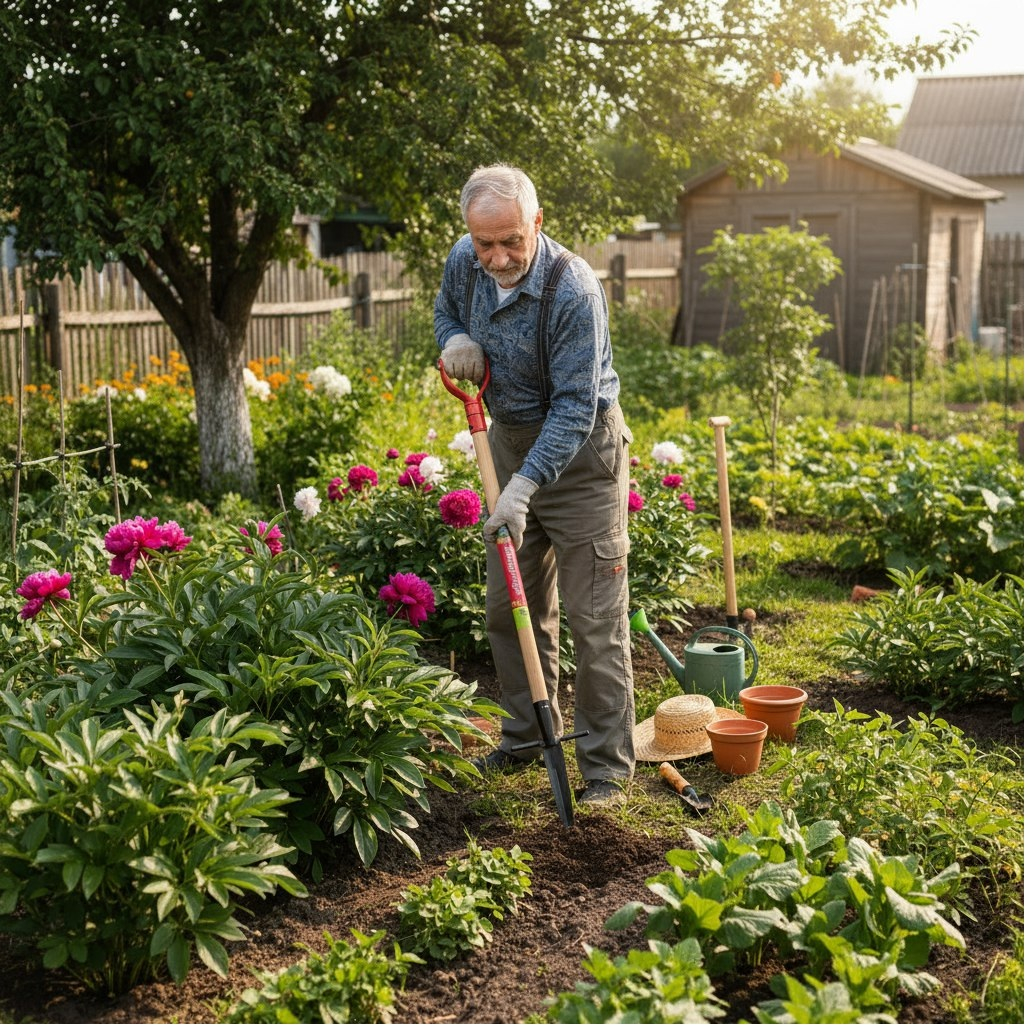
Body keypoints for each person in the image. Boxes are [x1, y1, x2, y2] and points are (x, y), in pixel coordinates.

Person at [435, 163, 635, 806]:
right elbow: (445, 311)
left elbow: (576, 407)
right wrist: (455, 336)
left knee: (595, 617)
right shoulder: (465, 260)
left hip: (582, 458)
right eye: (485, 243)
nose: (497, 258)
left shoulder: (572, 287)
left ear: (538, 223)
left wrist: (522, 490)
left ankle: (605, 768)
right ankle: (524, 738)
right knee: (509, 608)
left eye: (511, 241)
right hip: (509, 442)